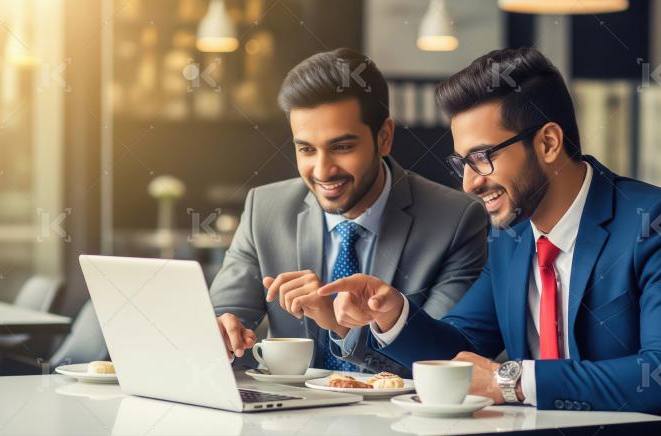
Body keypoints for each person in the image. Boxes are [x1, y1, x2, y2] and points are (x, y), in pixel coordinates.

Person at [318, 47, 661, 433]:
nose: (469, 183)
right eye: (462, 163)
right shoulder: (513, 238)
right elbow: (461, 351)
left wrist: (512, 381)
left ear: (549, 143)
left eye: (482, 158)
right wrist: (394, 316)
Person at [209, 48, 488, 375]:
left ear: (384, 138)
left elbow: (444, 360)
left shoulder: (456, 220)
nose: (323, 171)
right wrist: (223, 333)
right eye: (306, 149)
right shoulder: (264, 209)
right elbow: (223, 319)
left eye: (342, 147)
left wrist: (341, 327)